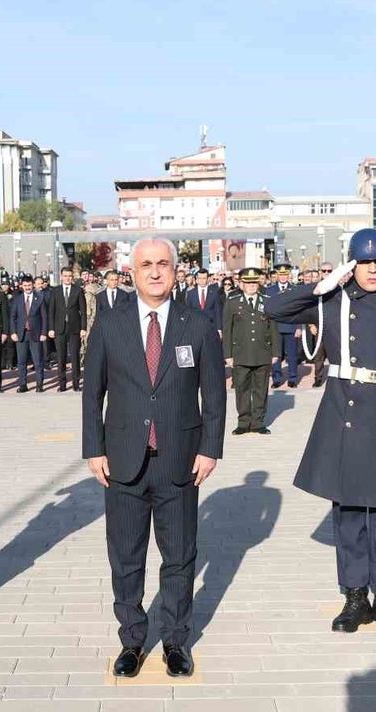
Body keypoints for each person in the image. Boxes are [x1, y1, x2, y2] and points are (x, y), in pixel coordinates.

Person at [264, 228, 376, 634]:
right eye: (364, 263)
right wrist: (320, 286)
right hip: (346, 414)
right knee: (349, 512)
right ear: (352, 265)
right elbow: (274, 308)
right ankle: (355, 595)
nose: (372, 270)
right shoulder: (334, 302)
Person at [83, 236, 225, 679]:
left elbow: (215, 396)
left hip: (179, 461)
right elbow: (93, 393)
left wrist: (210, 448)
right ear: (132, 271)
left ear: (176, 269)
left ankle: (177, 641)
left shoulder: (197, 324)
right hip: (123, 461)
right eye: (146, 264)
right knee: (125, 556)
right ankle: (131, 639)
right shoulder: (109, 323)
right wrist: (93, 449)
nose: (156, 271)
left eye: (164, 263)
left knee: (180, 555)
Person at [223, 267, 279, 435]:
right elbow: (227, 330)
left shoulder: (267, 301)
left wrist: (276, 352)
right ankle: (243, 421)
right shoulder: (233, 302)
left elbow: (273, 328)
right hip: (241, 353)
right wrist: (228, 355)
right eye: (248, 283)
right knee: (242, 389)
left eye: (254, 282)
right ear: (242, 284)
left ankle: (258, 422)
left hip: (262, 353)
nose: (252, 286)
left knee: (261, 389)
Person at [48, 266, 87, 392]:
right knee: (61, 357)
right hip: (59, 328)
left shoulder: (78, 290)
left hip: (74, 328)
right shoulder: (55, 290)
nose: (67, 278)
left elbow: (83, 310)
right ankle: (62, 384)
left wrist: (83, 328)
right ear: (61, 277)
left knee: (75, 356)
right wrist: (51, 328)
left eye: (70, 276)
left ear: (73, 277)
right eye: (65, 276)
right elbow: (51, 311)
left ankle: (76, 383)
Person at [263, 263, 301, 388]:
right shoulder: (270, 290)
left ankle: (292, 378)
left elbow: (299, 309)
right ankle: (277, 378)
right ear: (277, 275)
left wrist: (299, 327)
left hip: (291, 325)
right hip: (275, 327)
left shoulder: (295, 289)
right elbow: (267, 309)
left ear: (289, 275)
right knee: (276, 354)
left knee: (292, 354)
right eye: (281, 274)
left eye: (285, 274)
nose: (283, 277)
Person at [10, 275, 48, 393]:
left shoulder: (39, 298)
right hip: (21, 334)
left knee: (37, 361)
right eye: (25, 285)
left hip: (35, 333)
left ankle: (39, 384)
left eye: (29, 285)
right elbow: (13, 317)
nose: (27, 288)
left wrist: (43, 333)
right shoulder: (17, 299)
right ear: (22, 286)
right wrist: (13, 332)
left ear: (33, 285)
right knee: (21, 362)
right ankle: (23, 385)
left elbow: (44, 317)